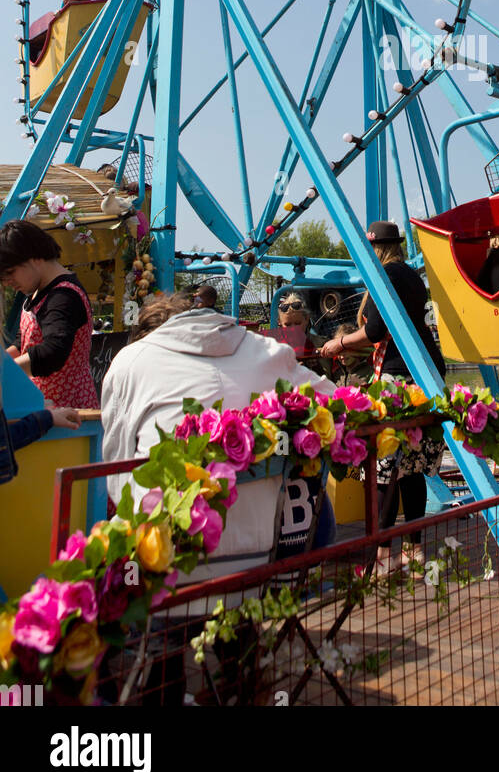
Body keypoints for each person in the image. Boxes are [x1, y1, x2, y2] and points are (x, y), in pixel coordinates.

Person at [102, 291, 337, 579]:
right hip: (262, 558)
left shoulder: (130, 362)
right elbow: (337, 401)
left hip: (164, 567)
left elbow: (118, 473)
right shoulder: (269, 353)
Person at [320, 221, 446, 575]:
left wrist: (339, 343)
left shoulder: (386, 276)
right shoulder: (410, 275)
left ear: (375, 249)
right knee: (413, 468)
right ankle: (415, 551)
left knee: (383, 468)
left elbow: (375, 331)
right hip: (424, 374)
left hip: (396, 379)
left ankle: (383, 557)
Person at [0, 220, 99, 409]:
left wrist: (5, 372)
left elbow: (53, 351)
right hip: (45, 408)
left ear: (34, 257)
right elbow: (22, 344)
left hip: (70, 412)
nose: (7, 283)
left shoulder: (64, 297)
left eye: (11, 272)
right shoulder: (38, 292)